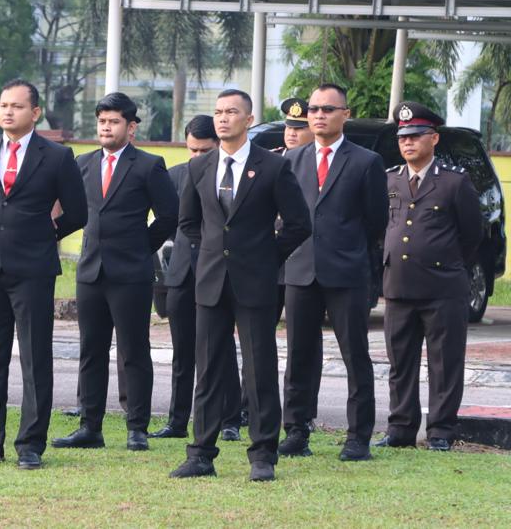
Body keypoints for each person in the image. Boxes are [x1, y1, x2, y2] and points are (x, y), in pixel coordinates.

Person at [170, 89, 310, 482]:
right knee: (209, 369)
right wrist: (215, 250)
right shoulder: (200, 167)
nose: (223, 118)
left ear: (249, 119)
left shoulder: (271, 167)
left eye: (232, 112)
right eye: (218, 112)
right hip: (211, 280)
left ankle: (262, 454)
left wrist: (266, 256)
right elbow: (188, 223)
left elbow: (299, 224)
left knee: (259, 369)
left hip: (256, 281)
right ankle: (200, 454)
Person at [0, 79, 87, 470]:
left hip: (33, 269)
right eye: (2, 105)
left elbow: (78, 213)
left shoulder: (57, 156)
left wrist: (43, 235)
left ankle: (30, 444)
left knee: (35, 358)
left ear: (35, 112)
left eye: (16, 106)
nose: (7, 112)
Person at [51, 93, 177, 453]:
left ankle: (136, 427)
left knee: (133, 350)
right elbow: (74, 211)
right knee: (91, 349)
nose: (106, 128)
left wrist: (140, 247)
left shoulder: (149, 165)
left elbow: (169, 216)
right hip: (91, 270)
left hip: (131, 272)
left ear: (131, 126)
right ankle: (90, 426)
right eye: (102, 121)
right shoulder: (83, 163)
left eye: (114, 122)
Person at [280, 84, 387, 461]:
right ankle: (296, 430)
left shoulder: (365, 162)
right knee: (299, 355)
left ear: (346, 113)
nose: (319, 115)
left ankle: (358, 436)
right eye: (314, 109)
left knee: (355, 355)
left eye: (328, 108)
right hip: (301, 269)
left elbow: (376, 221)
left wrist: (350, 252)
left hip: (347, 270)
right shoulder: (292, 160)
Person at [374, 101, 484, 452]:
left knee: (444, 362)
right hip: (399, 286)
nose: (408, 143)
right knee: (400, 363)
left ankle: (440, 432)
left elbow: (472, 234)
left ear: (433, 139)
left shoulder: (453, 182)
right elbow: (381, 228)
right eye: (403, 137)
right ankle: (401, 428)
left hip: (443, 288)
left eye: (416, 136)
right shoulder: (390, 179)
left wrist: (447, 264)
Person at [152, 115, 244, 442]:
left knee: (220, 346)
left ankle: (231, 418)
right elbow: (166, 221)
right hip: (181, 272)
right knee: (182, 351)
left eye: (204, 150)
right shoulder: (176, 175)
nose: (197, 157)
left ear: (218, 144)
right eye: (191, 150)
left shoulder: (231, 177)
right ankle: (177, 421)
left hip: (218, 271)